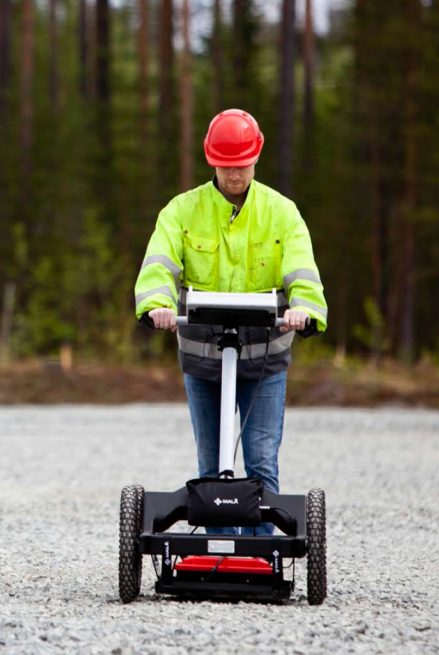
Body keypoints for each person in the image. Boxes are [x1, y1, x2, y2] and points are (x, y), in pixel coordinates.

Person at [134, 109, 327, 534]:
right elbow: (159, 266)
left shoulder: (282, 213)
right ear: (211, 160)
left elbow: (302, 271)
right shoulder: (182, 211)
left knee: (260, 460)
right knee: (212, 463)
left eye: (241, 164)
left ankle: (260, 556)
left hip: (264, 359)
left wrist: (306, 311)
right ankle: (218, 554)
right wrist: (155, 304)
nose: (234, 173)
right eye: (225, 164)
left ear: (256, 158)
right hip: (204, 359)